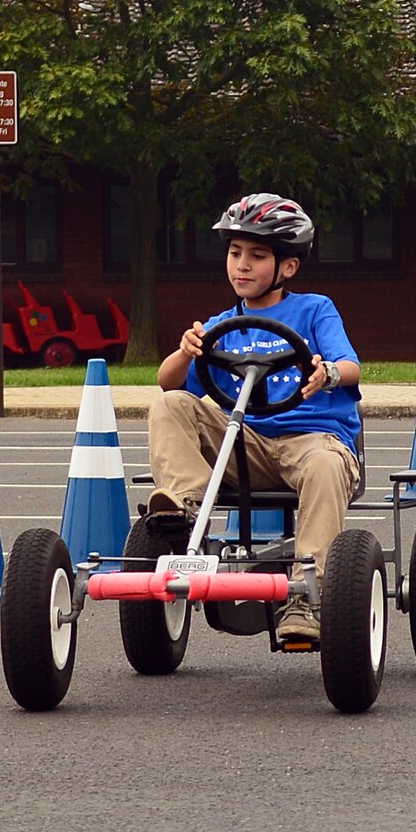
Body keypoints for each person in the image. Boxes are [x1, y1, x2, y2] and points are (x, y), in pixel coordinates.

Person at [148, 193, 362, 644]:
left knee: (324, 465)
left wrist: (326, 374)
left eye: (257, 256)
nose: (241, 265)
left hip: (312, 442)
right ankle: (185, 504)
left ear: (287, 267)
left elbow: (351, 367)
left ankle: (308, 593)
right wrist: (185, 352)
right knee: (168, 406)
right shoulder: (222, 323)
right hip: (243, 445)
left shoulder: (314, 309)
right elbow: (170, 384)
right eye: (234, 253)